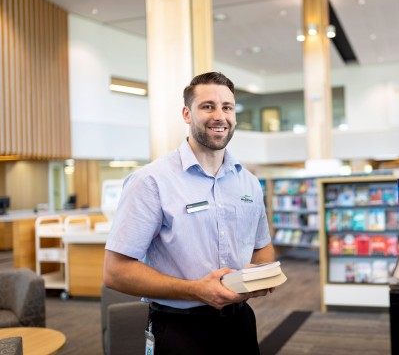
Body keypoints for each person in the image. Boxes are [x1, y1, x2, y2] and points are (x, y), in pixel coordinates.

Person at [103, 71, 275, 354]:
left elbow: (263, 247)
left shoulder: (249, 182)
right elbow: (115, 272)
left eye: (227, 107)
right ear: (187, 113)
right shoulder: (151, 181)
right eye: (208, 106)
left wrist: (258, 275)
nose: (220, 116)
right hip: (179, 328)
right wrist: (196, 289)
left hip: (240, 323)